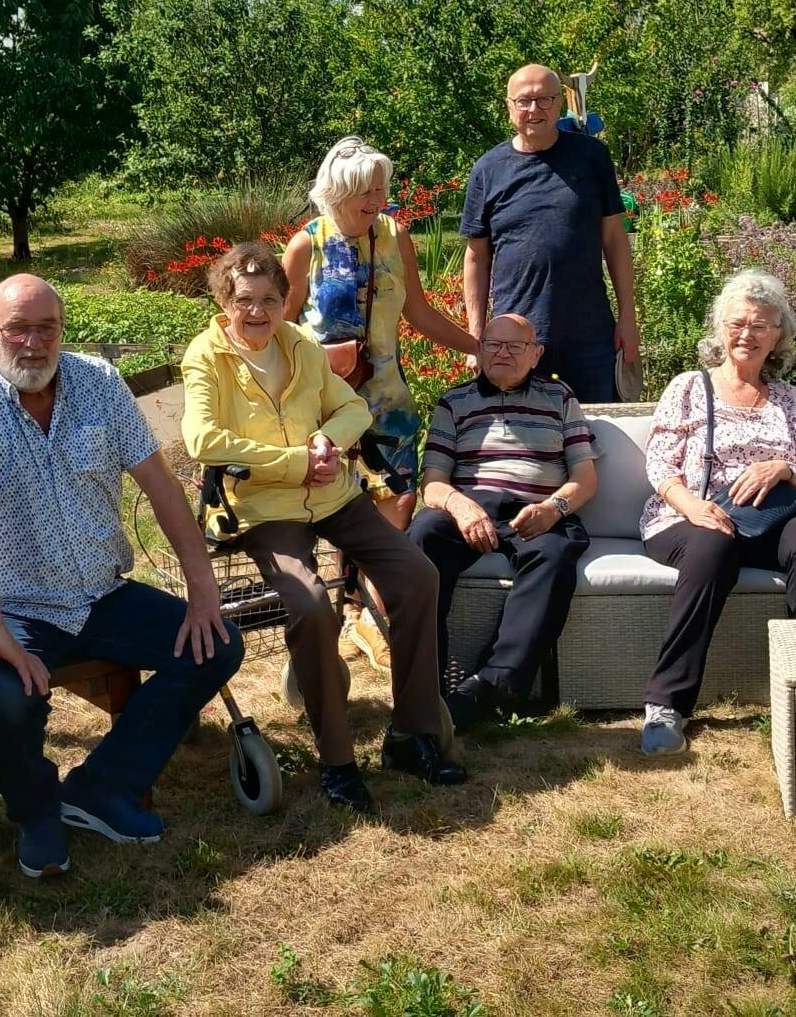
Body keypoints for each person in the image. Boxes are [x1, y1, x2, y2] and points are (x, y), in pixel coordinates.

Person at [0, 274, 241, 879]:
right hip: (5, 602)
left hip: (97, 594)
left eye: (46, 328)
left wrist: (203, 591)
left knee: (214, 643)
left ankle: (102, 787)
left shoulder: (98, 384)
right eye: (17, 328)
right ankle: (36, 812)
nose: (33, 343)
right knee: (3, 692)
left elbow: (162, 488)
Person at [181, 241, 464, 811]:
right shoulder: (206, 355)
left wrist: (327, 442)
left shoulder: (301, 345)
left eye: (268, 299)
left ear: (286, 301)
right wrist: (293, 463)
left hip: (335, 496)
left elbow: (352, 407)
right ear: (224, 301)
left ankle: (411, 735)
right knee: (309, 603)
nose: (257, 311)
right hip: (265, 510)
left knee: (417, 576)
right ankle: (337, 762)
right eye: (244, 301)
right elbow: (202, 440)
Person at [636, 269, 796, 757]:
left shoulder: (792, 400)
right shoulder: (690, 387)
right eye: (737, 323)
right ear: (720, 330)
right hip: (692, 512)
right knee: (712, 545)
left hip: (774, 517)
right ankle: (667, 703)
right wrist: (693, 506)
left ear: (779, 336)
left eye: (761, 325)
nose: (747, 334)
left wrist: (782, 467)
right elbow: (660, 464)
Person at [408, 312, 596, 729]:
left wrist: (554, 509)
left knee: (555, 554)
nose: (503, 352)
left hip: (537, 511)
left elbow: (585, 479)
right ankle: (423, 689)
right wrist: (460, 506)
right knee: (422, 536)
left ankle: (490, 687)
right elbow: (433, 484)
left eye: (515, 345)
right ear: (479, 350)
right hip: (470, 508)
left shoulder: (560, 398)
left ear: (536, 354)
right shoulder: (453, 402)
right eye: (493, 344)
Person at [281, 135, 477, 531]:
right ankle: (349, 593)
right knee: (338, 515)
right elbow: (280, 328)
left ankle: (377, 594)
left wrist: (478, 347)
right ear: (338, 192)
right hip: (324, 404)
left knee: (396, 511)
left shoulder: (395, 236)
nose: (375, 199)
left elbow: (419, 312)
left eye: (380, 189)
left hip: (388, 403)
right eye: (364, 191)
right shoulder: (307, 245)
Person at [461, 63, 638, 403]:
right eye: (524, 101)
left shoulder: (592, 157)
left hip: (591, 334)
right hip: (515, 339)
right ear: (509, 106)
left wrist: (628, 317)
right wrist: (476, 336)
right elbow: (476, 257)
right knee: (523, 440)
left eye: (545, 99)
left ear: (559, 104)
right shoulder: (488, 169)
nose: (534, 110)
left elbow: (615, 239)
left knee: (596, 432)